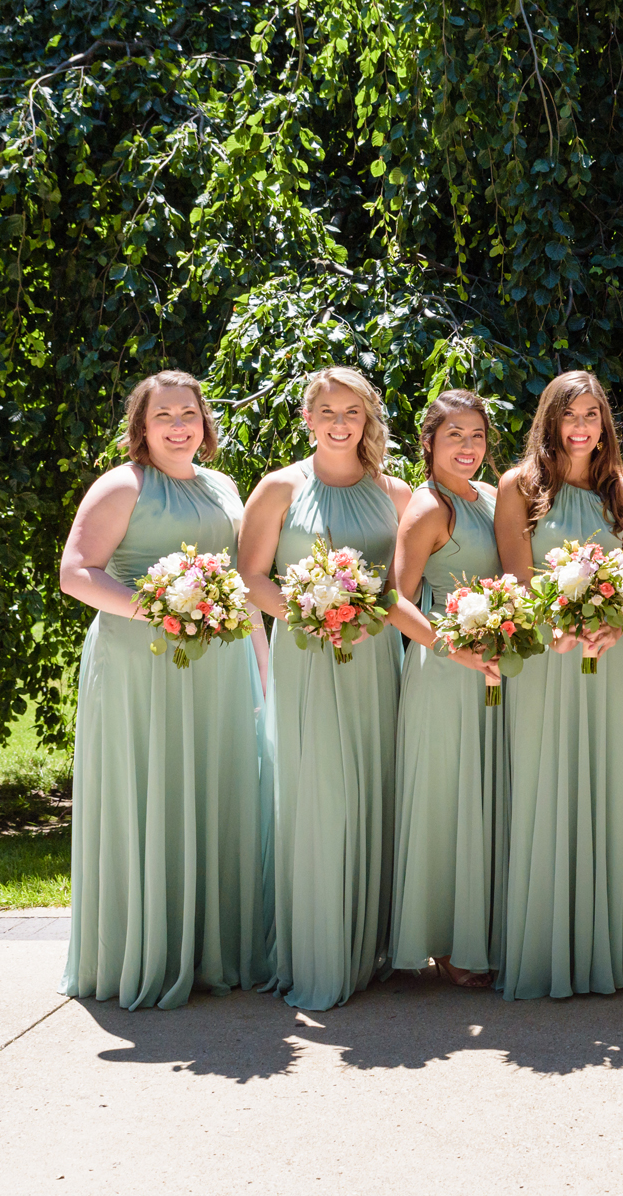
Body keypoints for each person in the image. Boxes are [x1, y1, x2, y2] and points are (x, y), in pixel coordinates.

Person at [57, 370, 273, 1010]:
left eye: (190, 415)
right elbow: (76, 573)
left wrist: (262, 668)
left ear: (205, 424)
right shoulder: (122, 486)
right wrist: (161, 610)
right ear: (142, 429)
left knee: (218, 787)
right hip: (139, 665)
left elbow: (242, 581)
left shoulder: (225, 487)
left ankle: (214, 951)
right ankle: (145, 951)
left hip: (221, 666)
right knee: (151, 789)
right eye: (164, 417)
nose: (179, 426)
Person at [240, 367, 411, 1011]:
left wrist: (362, 616)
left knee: (370, 783)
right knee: (317, 792)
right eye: (329, 412)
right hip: (307, 652)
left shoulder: (395, 493)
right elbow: (252, 575)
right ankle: (314, 951)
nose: (341, 423)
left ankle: (367, 948)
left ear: (367, 420)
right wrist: (310, 612)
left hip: (372, 654)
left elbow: (404, 583)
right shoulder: (281, 487)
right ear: (309, 418)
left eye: (353, 413)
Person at [493, 371, 623, 999]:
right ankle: (550, 950)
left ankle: (617, 950)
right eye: (570, 416)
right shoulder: (518, 488)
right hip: (548, 656)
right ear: (550, 421)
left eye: (592, 414)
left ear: (605, 424)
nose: (582, 426)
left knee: (614, 782)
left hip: (615, 657)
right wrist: (559, 627)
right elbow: (516, 580)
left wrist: (615, 628)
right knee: (549, 780)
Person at [389, 391, 507, 990]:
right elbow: (394, 599)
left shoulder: (490, 498)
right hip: (444, 670)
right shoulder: (428, 507)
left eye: (477, 436)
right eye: (454, 435)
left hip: (491, 669)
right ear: (429, 442)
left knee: (484, 798)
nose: (467, 447)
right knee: (448, 799)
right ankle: (448, 944)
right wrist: (458, 649)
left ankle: (481, 930)